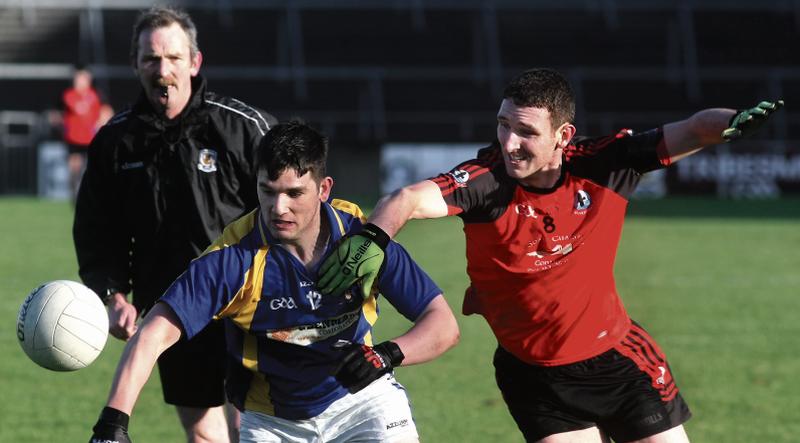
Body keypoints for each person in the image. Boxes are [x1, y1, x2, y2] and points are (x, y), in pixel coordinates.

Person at [317, 68, 784, 442]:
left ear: (563, 135)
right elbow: (408, 199)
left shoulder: (606, 164)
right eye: (503, 125)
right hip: (535, 378)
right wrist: (374, 236)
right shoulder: (485, 181)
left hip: (619, 364)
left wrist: (731, 123)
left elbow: (693, 131)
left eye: (525, 132)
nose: (509, 142)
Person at [87, 121, 460, 443]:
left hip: (364, 402)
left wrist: (386, 355)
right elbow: (153, 333)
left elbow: (442, 323)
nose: (279, 208)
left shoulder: (362, 244)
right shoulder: (233, 259)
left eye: (294, 193)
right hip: (273, 423)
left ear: (324, 188)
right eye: (268, 191)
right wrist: (112, 422)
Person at [74, 6, 277, 442]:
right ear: (136, 65)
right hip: (171, 306)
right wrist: (112, 294)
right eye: (151, 59)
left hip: (249, 302)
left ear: (195, 61)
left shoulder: (244, 129)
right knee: (204, 433)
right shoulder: (114, 142)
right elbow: (97, 231)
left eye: (173, 58)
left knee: (254, 427)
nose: (162, 70)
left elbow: (292, 211)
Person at [61, 66, 103, 201]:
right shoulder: (69, 95)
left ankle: (88, 195)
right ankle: (74, 193)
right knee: (74, 169)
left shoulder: (95, 95)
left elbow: (103, 112)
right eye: (77, 78)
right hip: (73, 138)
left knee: (90, 170)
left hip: (90, 139)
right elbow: (75, 109)